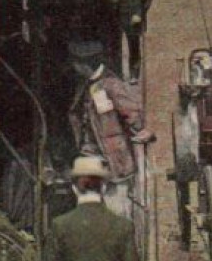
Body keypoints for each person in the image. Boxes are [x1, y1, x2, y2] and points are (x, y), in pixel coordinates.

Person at [65, 40, 152, 182]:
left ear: (85, 64)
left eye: (76, 64)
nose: (74, 68)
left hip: (112, 157)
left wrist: (139, 130)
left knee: (115, 199)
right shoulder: (85, 85)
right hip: (91, 154)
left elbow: (132, 115)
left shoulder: (111, 84)